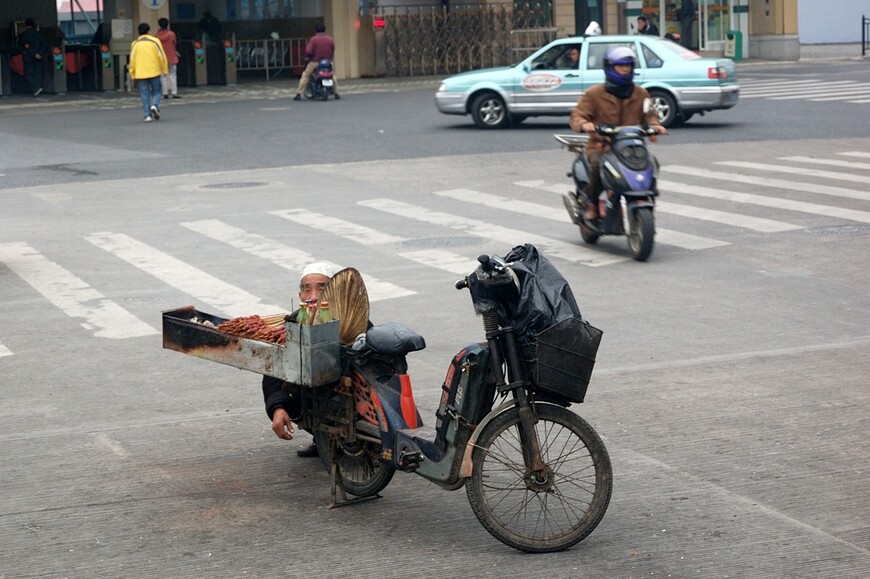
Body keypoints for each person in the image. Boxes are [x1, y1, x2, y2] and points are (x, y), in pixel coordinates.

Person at [568, 46, 667, 221]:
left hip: (631, 146)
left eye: (628, 65)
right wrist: (585, 124)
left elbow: (650, 114)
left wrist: (655, 125)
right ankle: (591, 202)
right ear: (609, 68)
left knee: (652, 163)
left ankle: (646, 194)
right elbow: (577, 116)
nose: (625, 69)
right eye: (620, 66)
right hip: (602, 146)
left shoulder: (641, 93)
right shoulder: (594, 94)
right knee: (597, 165)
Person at [262, 262, 335, 457]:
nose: (313, 297)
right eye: (307, 289)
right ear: (300, 295)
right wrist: (277, 407)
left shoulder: (353, 322)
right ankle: (320, 436)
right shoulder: (293, 324)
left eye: (322, 289)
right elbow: (274, 370)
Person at [129, 23, 168, 123]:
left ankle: (147, 115)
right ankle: (155, 105)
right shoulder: (155, 41)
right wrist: (164, 69)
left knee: (144, 94)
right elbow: (161, 56)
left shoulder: (135, 43)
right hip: (154, 71)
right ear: (148, 30)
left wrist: (132, 72)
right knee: (157, 91)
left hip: (140, 73)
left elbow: (132, 59)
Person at [294, 24, 340, 101]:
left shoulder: (313, 39)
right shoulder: (330, 39)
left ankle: (299, 94)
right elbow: (332, 49)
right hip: (328, 62)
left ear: (315, 31)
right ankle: (336, 93)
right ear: (324, 30)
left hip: (315, 62)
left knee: (305, 76)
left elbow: (308, 51)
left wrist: (309, 56)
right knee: (332, 76)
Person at [18, 18, 48, 96]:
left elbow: (26, 46)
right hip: (39, 56)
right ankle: (39, 87)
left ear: (25, 25)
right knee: (37, 72)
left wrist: (34, 54)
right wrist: (39, 54)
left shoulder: (24, 35)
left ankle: (36, 88)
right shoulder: (39, 34)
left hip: (29, 57)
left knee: (28, 73)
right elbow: (44, 45)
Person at [155, 18, 180, 99]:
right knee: (173, 75)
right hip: (172, 56)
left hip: (161, 58)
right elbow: (174, 43)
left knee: (162, 76)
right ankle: (174, 92)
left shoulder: (157, 35)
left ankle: (164, 93)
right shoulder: (171, 34)